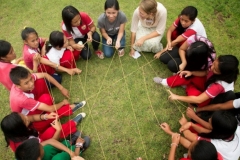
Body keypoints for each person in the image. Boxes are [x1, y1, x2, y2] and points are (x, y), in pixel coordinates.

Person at [9, 66, 86, 133]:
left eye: (31, 79)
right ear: (18, 86)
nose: (31, 83)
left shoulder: (23, 79)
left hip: (32, 113)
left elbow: (44, 75)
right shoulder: (22, 99)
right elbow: (50, 109)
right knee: (50, 129)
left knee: (40, 81)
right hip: (30, 122)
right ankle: (72, 119)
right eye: (26, 83)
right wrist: (63, 103)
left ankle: (67, 109)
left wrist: (61, 88)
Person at [166, 55, 239, 107]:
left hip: (208, 100)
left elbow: (199, 100)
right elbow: (206, 72)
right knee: (192, 76)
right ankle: (168, 82)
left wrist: (177, 97)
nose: (212, 67)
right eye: (213, 64)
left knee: (193, 94)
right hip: (207, 85)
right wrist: (192, 73)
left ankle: (189, 86)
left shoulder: (219, 85)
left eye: (215, 69)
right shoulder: (218, 68)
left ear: (223, 73)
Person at [1, 112, 85, 152]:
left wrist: (46, 116)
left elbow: (32, 118)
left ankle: (71, 127)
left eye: (24, 116)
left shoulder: (13, 133)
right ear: (20, 129)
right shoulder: (26, 145)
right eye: (25, 121)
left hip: (39, 141)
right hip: (41, 151)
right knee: (54, 131)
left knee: (51, 130)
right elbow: (50, 144)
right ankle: (72, 142)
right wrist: (58, 130)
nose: (27, 118)